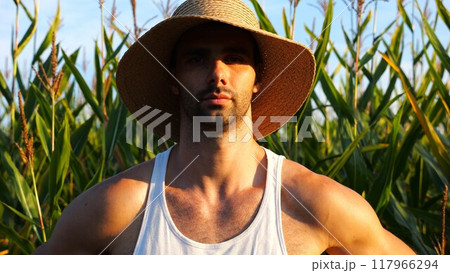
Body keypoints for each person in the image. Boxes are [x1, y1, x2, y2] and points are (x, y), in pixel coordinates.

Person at [34, 0, 415, 254]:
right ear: (173, 80)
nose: (217, 74)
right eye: (197, 59)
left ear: (258, 80)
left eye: (234, 58)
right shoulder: (118, 208)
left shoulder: (316, 206)